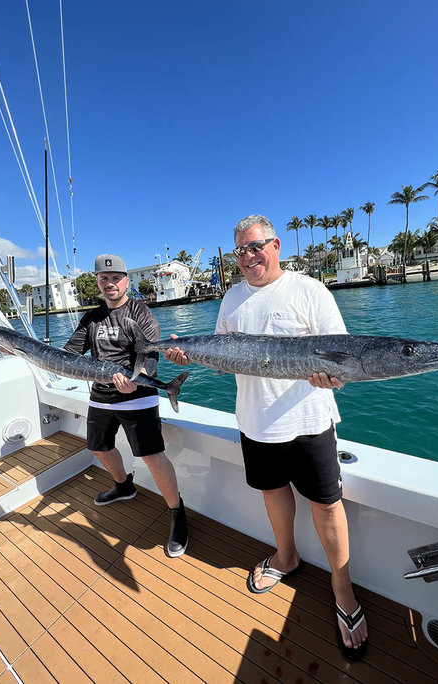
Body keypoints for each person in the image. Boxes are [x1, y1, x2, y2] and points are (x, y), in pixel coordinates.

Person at [166, 216, 368, 660]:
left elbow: (345, 359)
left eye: (256, 246)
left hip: (310, 422)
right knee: (273, 493)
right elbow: (222, 357)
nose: (249, 257)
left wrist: (331, 378)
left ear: (275, 245)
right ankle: (286, 556)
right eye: (240, 251)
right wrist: (187, 353)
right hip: (256, 423)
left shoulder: (309, 290)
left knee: (326, 504)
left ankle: (342, 585)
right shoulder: (231, 298)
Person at [64, 253, 188, 558]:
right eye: (104, 279)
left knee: (152, 456)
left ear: (126, 281)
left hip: (138, 396)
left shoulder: (141, 313)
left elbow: (149, 356)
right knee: (97, 447)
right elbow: (70, 351)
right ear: (97, 282)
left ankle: (177, 512)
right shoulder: (91, 317)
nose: (110, 284)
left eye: (116, 278)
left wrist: (138, 377)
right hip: (102, 396)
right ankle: (123, 485)